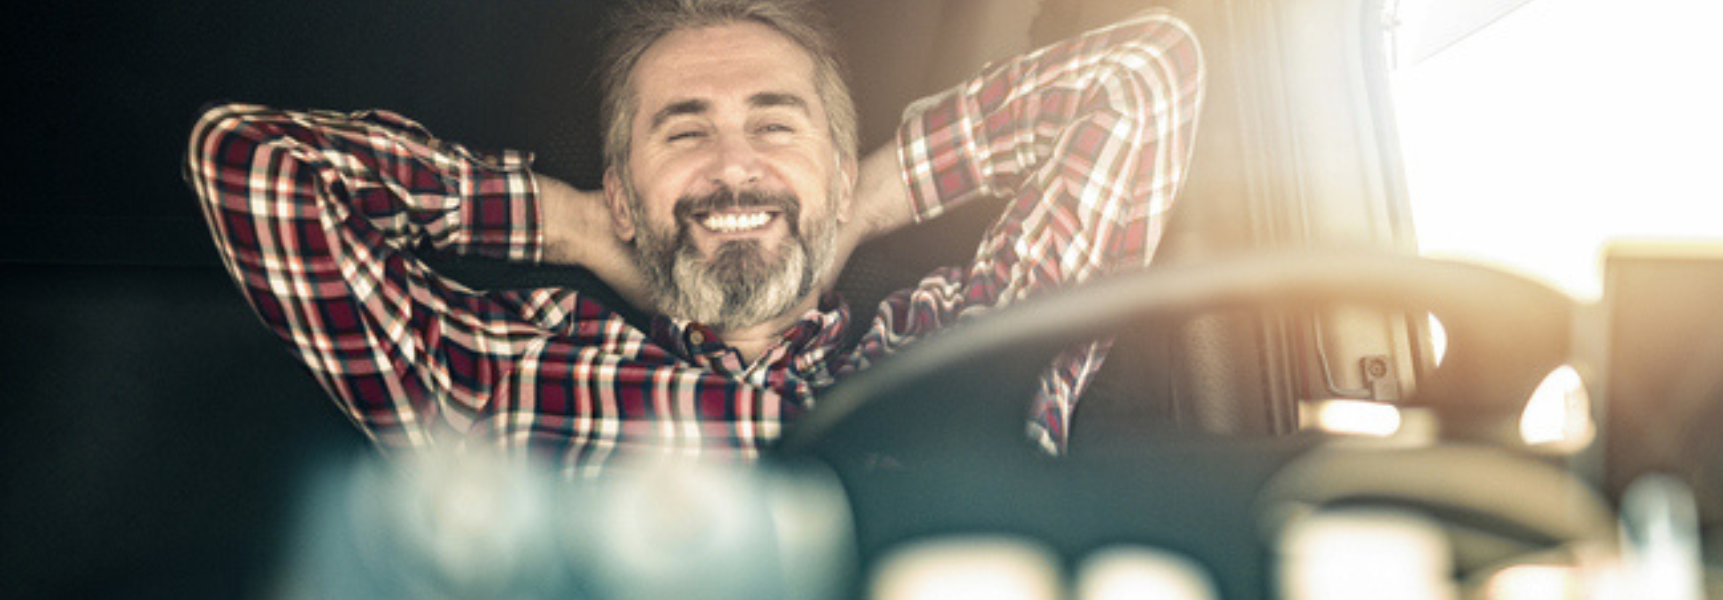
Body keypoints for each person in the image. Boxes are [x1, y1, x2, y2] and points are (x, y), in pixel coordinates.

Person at [184, 0, 1203, 470]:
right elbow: (256, 167)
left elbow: (1145, 75)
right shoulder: (496, 376)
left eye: (776, 125)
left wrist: (866, 198)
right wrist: (573, 224)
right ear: (625, 197)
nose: (733, 165)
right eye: (684, 132)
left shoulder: (972, 341)